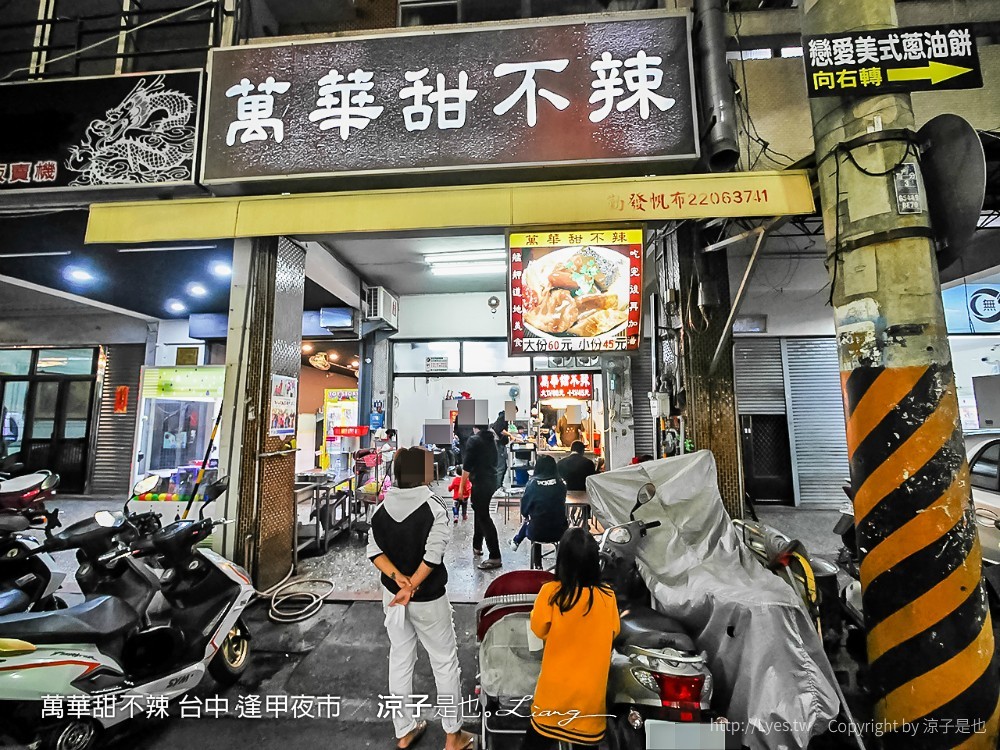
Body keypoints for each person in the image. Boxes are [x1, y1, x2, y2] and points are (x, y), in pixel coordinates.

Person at [367, 447, 476, 750]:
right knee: (444, 663)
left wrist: (397, 580)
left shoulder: (381, 508)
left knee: (400, 660)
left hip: (393, 598)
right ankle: (453, 736)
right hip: (427, 600)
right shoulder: (433, 507)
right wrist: (411, 585)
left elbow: (373, 551)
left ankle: (404, 731)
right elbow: (433, 556)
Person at [522, 527, 620, 748]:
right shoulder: (608, 597)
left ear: (562, 561)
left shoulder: (551, 593)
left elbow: (538, 629)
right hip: (589, 707)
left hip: (552, 701)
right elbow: (614, 631)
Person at [461, 424, 502, 570]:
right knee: (479, 511)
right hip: (491, 481)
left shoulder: (474, 440)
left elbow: (466, 466)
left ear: (474, 427)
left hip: (481, 483)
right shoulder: (491, 439)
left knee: (483, 516)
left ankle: (495, 556)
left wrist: (461, 488)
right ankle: (477, 545)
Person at [510, 455, 568, 551]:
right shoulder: (561, 484)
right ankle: (516, 541)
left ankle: (536, 563)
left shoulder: (532, 484)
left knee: (534, 520)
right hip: (560, 531)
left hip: (536, 532)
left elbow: (524, 510)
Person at [492, 409, 515, 487]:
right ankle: (497, 487)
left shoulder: (504, 418)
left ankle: (499, 485)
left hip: (500, 444)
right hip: (498, 444)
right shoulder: (503, 417)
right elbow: (500, 430)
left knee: (503, 466)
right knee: (501, 467)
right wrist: (510, 435)